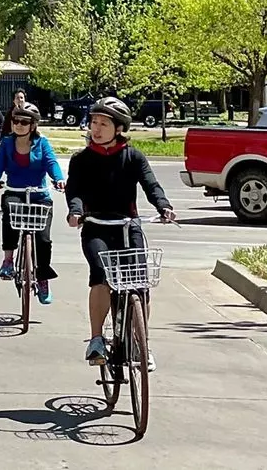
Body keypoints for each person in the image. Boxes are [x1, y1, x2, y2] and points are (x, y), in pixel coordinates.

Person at [65, 95, 175, 371]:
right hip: (95, 227)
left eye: (103, 123)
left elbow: (152, 185)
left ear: (119, 128)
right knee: (101, 277)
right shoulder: (82, 159)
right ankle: (96, 339)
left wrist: (164, 206)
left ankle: (141, 343)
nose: (97, 129)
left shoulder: (133, 156)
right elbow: (74, 190)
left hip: (129, 226)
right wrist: (76, 212)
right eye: (93, 122)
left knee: (140, 284)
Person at [0, 102, 65, 304]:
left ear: (33, 125)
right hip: (15, 191)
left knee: (44, 240)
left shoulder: (42, 143)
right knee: (10, 213)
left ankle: (43, 279)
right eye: (16, 121)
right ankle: (8, 260)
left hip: (39, 195)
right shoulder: (6, 143)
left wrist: (58, 179)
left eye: (24, 121)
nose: (19, 125)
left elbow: (51, 163)